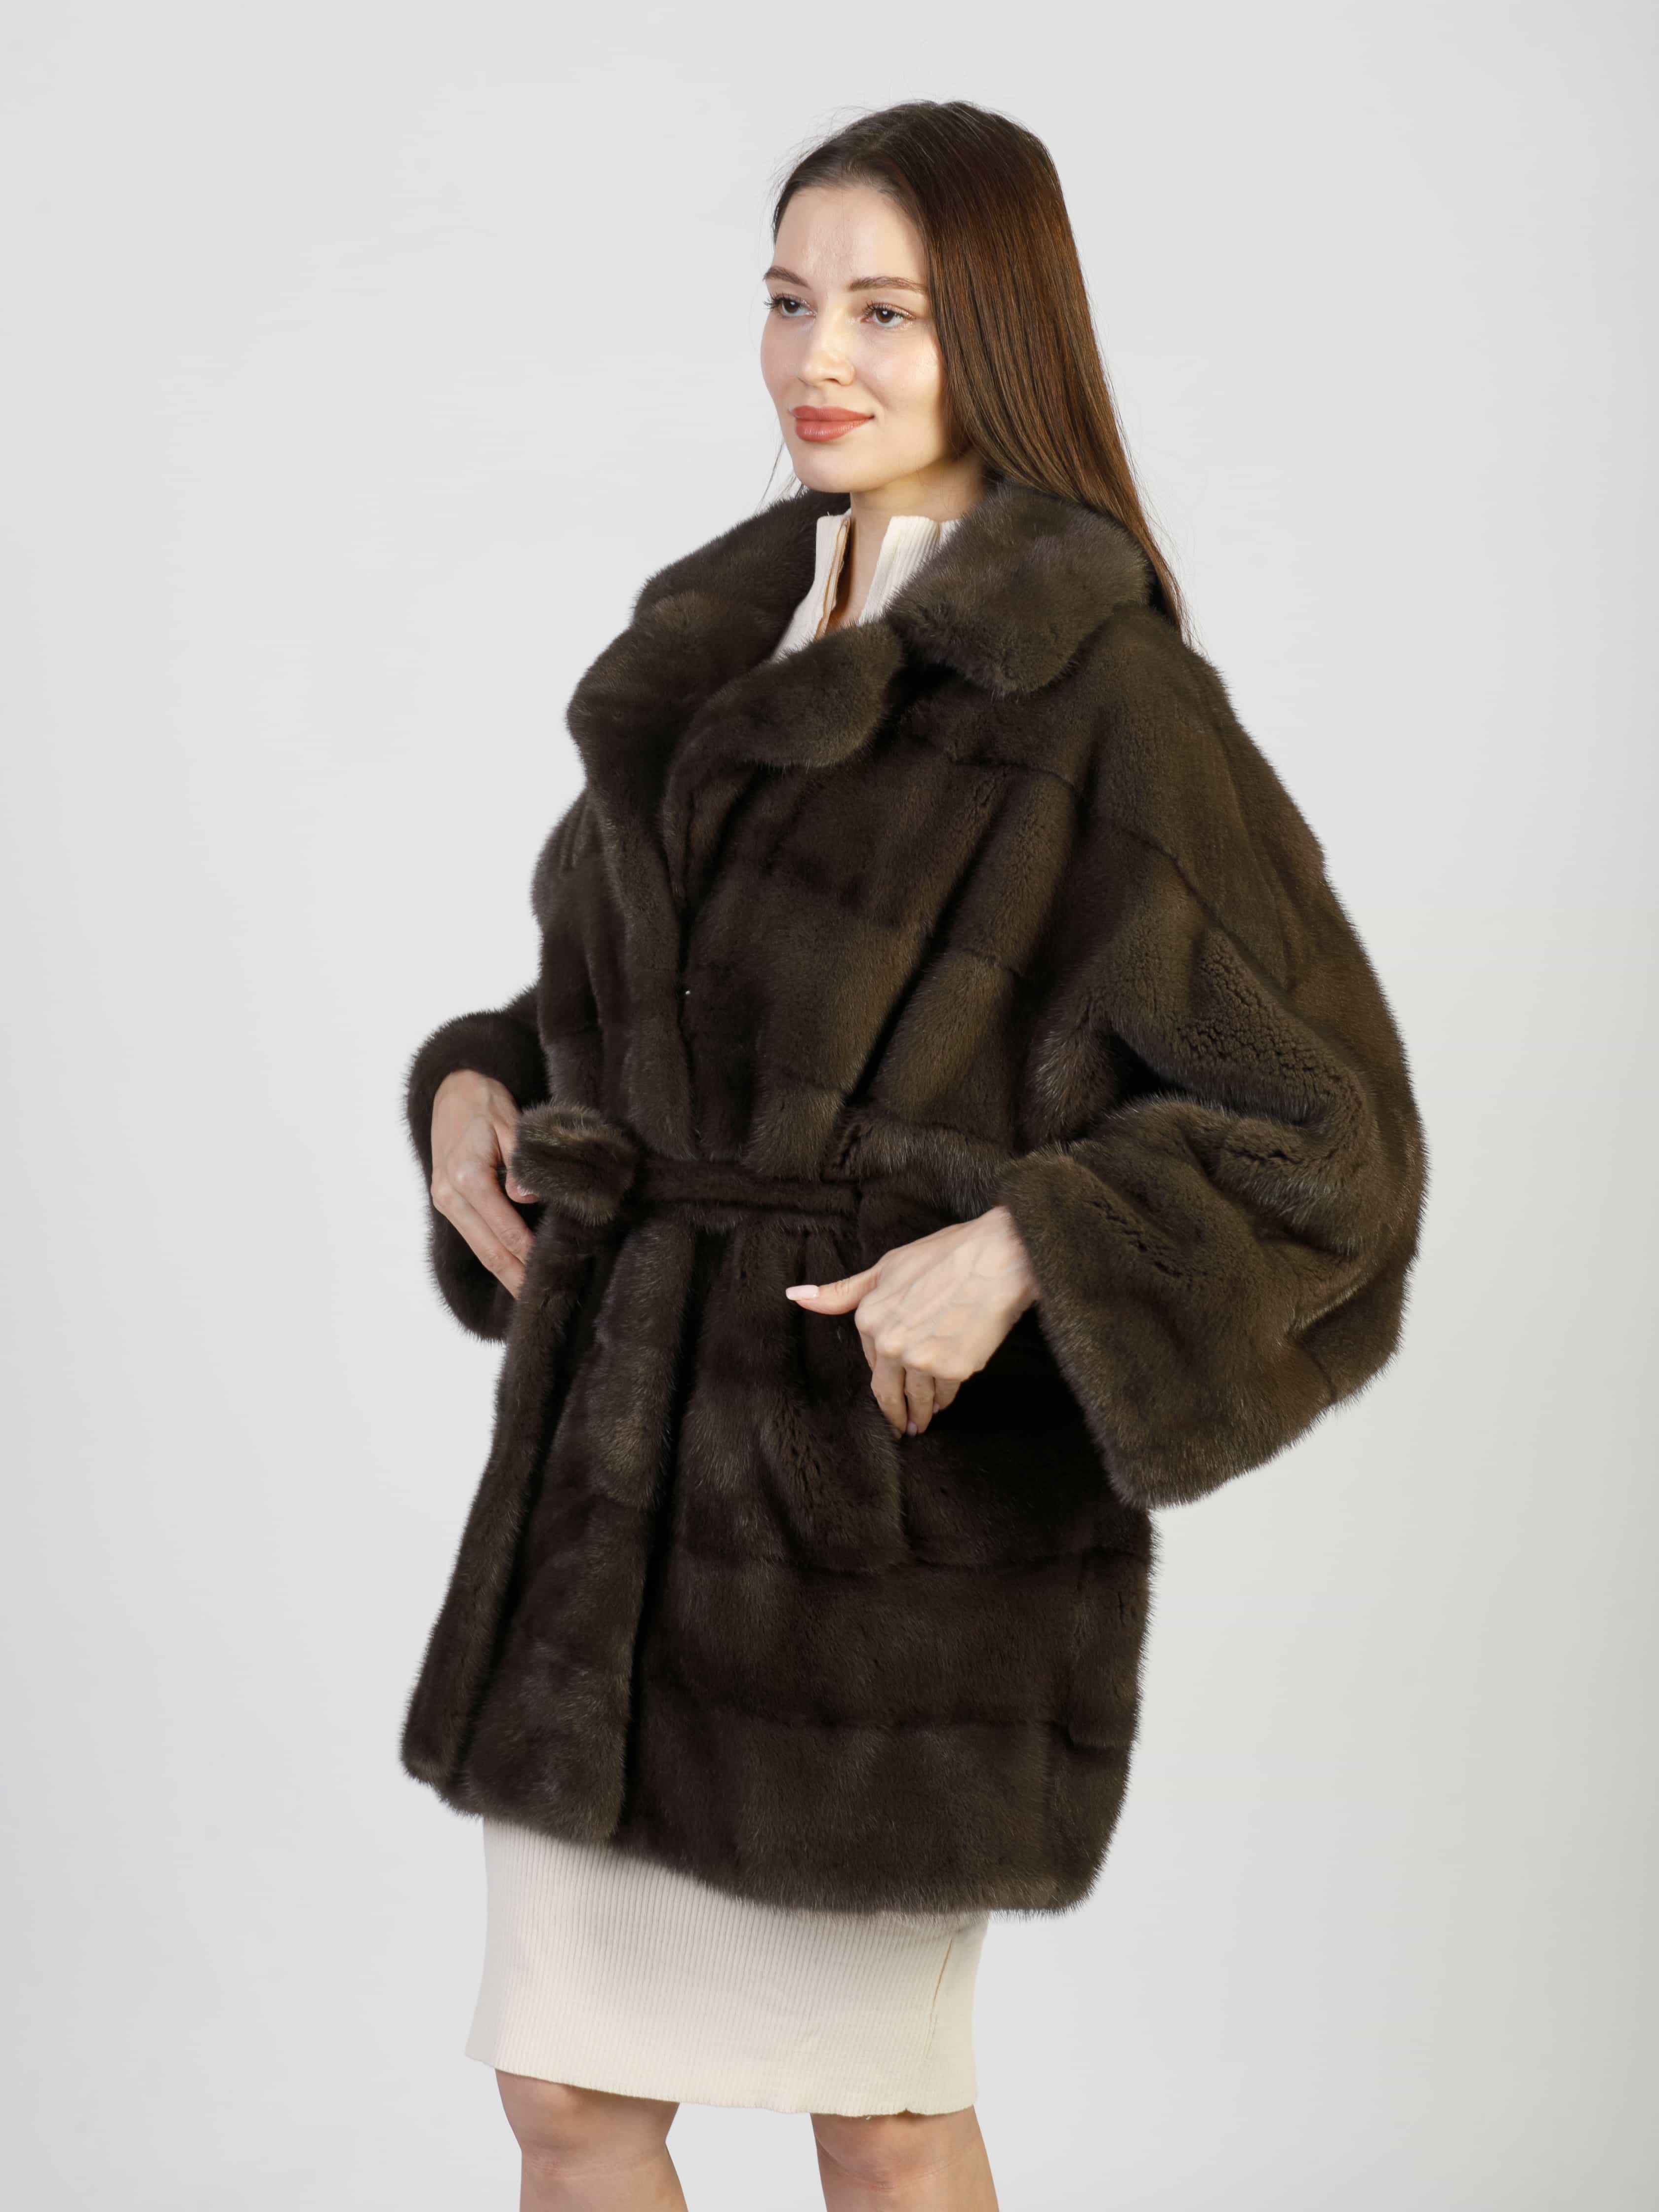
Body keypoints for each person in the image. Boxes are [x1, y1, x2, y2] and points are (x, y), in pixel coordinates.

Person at [400, 99, 1427, 2212]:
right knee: (569, 2107)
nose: (819, 359)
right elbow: (648, 1006)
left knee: (877, 2123)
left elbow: (1331, 1133)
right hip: (613, 1510)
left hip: (870, 1541)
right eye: (790, 300)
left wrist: (1034, 1242)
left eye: (889, 311)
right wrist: (477, 1085)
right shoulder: (718, 639)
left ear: (1004, 334)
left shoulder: (1100, 700)